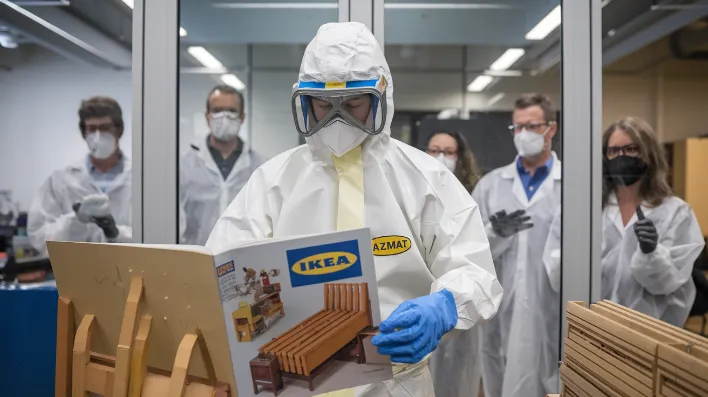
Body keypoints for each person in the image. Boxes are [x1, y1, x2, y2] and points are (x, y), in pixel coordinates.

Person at [205, 22, 502, 397]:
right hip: (294, 381)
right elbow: (219, 264)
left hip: (395, 383)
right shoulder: (275, 181)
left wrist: (444, 305)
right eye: (324, 105)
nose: (337, 119)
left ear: (382, 96)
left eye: (354, 104)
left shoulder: (425, 179)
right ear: (304, 100)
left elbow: (474, 270)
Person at [472, 93, 561, 397]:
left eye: (532, 126)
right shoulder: (490, 186)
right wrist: (495, 233)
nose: (523, 134)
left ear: (552, 128)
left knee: (556, 376)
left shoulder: (573, 186)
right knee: (501, 374)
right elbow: (469, 250)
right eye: (517, 128)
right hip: (502, 308)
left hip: (554, 307)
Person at [601, 117, 704, 326]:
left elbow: (667, 284)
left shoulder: (675, 212)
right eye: (614, 151)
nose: (621, 156)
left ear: (648, 155)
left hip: (649, 332)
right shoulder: (594, 211)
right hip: (595, 330)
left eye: (631, 149)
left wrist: (651, 253)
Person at [28, 96, 132, 254]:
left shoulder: (143, 177)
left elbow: (167, 232)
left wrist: (117, 233)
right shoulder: (60, 181)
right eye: (91, 129)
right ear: (84, 132)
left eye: (105, 128)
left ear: (119, 129)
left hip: (133, 269)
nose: (98, 135)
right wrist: (76, 222)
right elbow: (39, 237)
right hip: (78, 272)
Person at [424, 130, 483, 397]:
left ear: (460, 158)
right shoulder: (410, 194)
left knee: (458, 379)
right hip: (421, 300)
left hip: (459, 303)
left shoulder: (471, 198)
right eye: (435, 150)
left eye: (448, 152)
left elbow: (478, 256)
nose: (440, 158)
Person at [179, 85, 263, 246]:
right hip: (194, 259)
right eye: (217, 110)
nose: (224, 117)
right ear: (207, 116)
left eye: (231, 111)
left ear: (242, 117)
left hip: (243, 261)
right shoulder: (184, 165)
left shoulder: (259, 167)